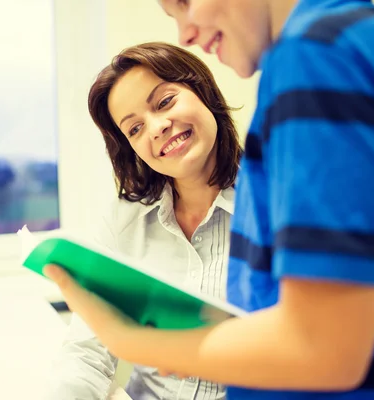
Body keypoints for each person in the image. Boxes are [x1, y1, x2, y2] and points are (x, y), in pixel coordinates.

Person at [44, 0, 374, 399]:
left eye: (184, 2)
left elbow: (324, 347)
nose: (185, 33)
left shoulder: (314, 57)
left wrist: (135, 340)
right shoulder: (357, 40)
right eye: (134, 129)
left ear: (202, 94)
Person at [49, 42, 242, 399]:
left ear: (203, 91)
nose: (155, 128)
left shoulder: (277, 203)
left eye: (165, 102)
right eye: (134, 128)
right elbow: (88, 350)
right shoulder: (123, 219)